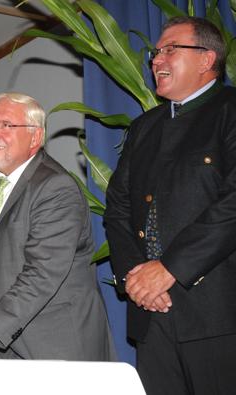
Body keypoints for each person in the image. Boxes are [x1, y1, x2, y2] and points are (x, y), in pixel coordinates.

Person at [104, 16, 236, 395]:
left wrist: (170, 268)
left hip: (218, 316)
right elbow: (117, 209)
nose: (156, 60)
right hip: (151, 315)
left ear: (206, 58)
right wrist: (136, 277)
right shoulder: (144, 127)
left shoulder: (230, 111)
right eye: (155, 53)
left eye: (170, 50)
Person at [0, 92, 115, 360]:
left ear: (36, 137)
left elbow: (43, 273)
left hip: (50, 345)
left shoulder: (55, 188)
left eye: (6, 125)